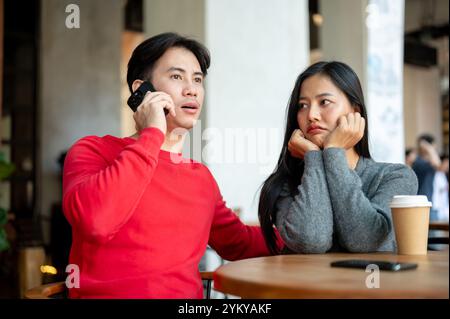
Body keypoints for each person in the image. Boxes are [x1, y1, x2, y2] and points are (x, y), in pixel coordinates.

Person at [62, 32, 283, 298]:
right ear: (141, 90)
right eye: (177, 76)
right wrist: (151, 135)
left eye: (198, 79)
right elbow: (97, 221)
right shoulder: (92, 151)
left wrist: (308, 237)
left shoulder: (200, 177)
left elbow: (240, 243)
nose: (191, 89)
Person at [258, 61, 418, 254]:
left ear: (355, 112)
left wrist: (333, 151)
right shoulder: (285, 184)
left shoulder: (396, 176)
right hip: (304, 285)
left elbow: (365, 240)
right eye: (303, 105)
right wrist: (314, 158)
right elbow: (312, 240)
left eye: (324, 102)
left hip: (372, 285)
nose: (311, 115)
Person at [412, 134, 442, 220]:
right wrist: (428, 147)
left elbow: (437, 164)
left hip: (430, 203)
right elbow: (438, 164)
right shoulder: (418, 161)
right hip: (422, 204)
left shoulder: (428, 161)